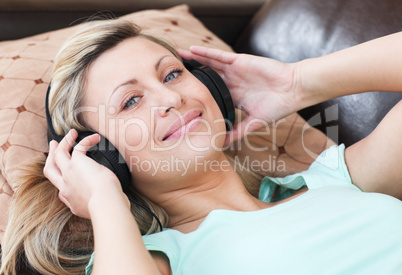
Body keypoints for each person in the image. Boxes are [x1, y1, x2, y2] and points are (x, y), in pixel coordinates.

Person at [1, 18, 401, 275]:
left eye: (173, 74)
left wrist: (297, 82)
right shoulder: (155, 258)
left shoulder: (335, 179)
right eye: (131, 101)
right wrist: (104, 200)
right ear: (103, 157)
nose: (171, 99)